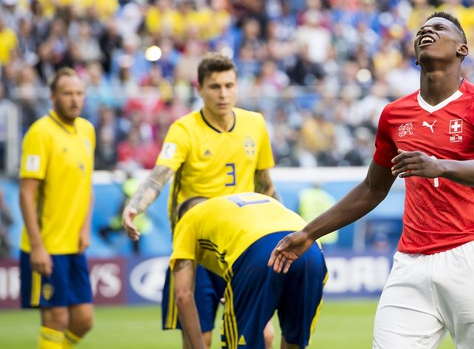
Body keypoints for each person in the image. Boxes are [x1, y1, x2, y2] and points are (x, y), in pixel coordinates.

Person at [269, 12, 474, 349]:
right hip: (410, 263)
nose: (428, 31)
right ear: (415, 56)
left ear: (462, 49)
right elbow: (373, 188)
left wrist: (438, 166)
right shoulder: (394, 114)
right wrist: (309, 233)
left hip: (472, 255)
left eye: (439, 29)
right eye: (422, 30)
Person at [122, 52, 278, 348]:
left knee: (263, 335)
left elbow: (266, 186)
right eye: (215, 86)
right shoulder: (183, 129)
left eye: (229, 86)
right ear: (200, 89)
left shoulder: (255, 125)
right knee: (199, 340)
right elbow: (159, 176)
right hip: (198, 247)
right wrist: (134, 207)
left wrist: (283, 231)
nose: (223, 94)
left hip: (241, 245)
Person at [171, 192, 327, 349]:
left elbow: (183, 295)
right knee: (295, 341)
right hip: (310, 249)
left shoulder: (187, 219)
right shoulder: (242, 201)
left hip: (256, 251)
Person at [19, 68, 95, 348]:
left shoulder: (87, 130)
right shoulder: (40, 133)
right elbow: (26, 194)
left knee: (84, 320)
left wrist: (85, 227)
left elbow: (87, 185)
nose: (74, 99)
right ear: (53, 97)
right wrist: (37, 246)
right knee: (56, 319)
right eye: (67, 93)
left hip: (74, 246)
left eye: (78, 93)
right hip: (47, 246)